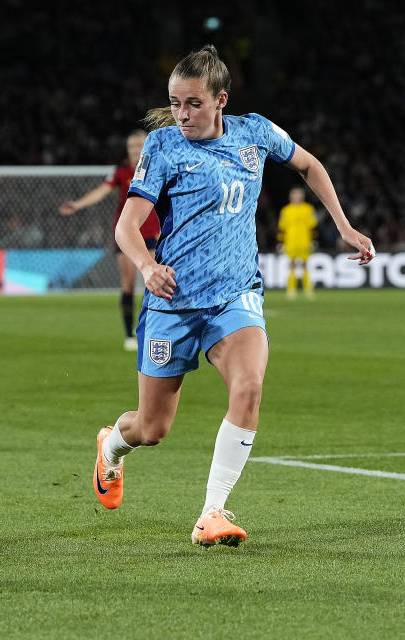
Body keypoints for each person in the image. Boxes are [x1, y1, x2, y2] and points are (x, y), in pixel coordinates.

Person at [91, 45, 375, 546]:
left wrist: (343, 225)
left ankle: (212, 513)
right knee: (151, 429)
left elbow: (309, 165)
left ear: (221, 100)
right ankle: (110, 448)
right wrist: (147, 266)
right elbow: (127, 226)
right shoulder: (162, 147)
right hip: (172, 303)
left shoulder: (255, 132)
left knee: (248, 387)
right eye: (175, 103)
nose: (182, 115)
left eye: (193, 104)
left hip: (234, 297)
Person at [60, 130, 161, 351]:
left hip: (153, 233)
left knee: (153, 283)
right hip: (127, 234)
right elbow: (101, 191)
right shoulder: (121, 172)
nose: (135, 151)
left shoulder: (157, 167)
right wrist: (77, 204)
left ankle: (153, 331)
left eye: (139, 146)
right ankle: (128, 335)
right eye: (132, 147)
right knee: (127, 283)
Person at [278, 186, 318, 299]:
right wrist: (280, 242)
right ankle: (291, 289)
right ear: (291, 196)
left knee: (305, 265)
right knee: (292, 265)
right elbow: (282, 228)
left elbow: (313, 227)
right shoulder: (285, 210)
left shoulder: (308, 209)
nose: (297, 197)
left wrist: (313, 241)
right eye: (295, 194)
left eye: (299, 194)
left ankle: (308, 289)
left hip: (305, 241)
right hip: (290, 241)